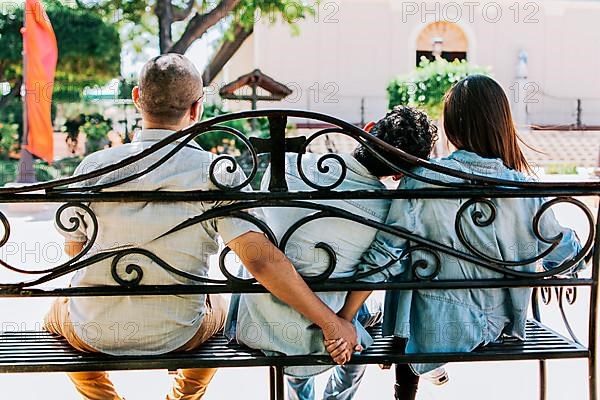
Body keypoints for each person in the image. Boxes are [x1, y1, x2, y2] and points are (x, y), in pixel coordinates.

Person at [43, 54, 359, 400]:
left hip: (94, 333)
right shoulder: (216, 172)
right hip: (180, 334)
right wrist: (332, 322)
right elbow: (261, 262)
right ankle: (182, 398)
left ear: (137, 98)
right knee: (221, 314)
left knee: (54, 316)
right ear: (197, 109)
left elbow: (74, 253)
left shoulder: (94, 166)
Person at [335, 74, 587, 399]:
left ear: (452, 128)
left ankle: (408, 383)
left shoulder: (421, 180)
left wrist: (344, 318)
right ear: (502, 124)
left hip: (424, 329)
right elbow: (564, 254)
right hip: (495, 324)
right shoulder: (522, 189)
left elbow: (387, 254)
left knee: (410, 275)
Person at [226, 106, 438, 400]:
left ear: (368, 129)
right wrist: (342, 323)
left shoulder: (287, 167)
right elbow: (375, 270)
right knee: (368, 309)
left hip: (260, 321)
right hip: (325, 328)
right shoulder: (387, 210)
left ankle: (304, 395)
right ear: (399, 173)